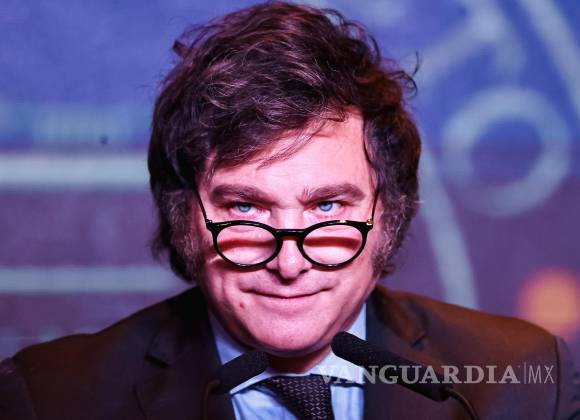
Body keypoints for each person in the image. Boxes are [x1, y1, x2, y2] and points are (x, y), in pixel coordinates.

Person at [1, 2, 578, 419]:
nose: (289, 262)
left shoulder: (524, 383)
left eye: (327, 206)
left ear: (388, 217)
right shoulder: (51, 399)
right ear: (185, 220)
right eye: (245, 208)